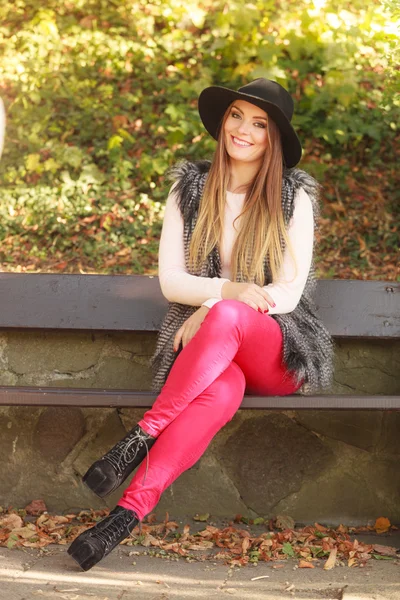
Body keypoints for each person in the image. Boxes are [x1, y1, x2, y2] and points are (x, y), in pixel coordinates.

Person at [68, 78, 333, 571]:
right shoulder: (189, 189)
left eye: (259, 123)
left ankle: (141, 436)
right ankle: (124, 517)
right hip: (213, 358)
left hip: (278, 350)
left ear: (274, 137)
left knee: (230, 314)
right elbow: (172, 281)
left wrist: (217, 304)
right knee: (220, 390)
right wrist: (224, 295)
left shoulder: (294, 198)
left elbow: (289, 293)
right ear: (222, 122)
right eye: (237, 116)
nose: (244, 130)